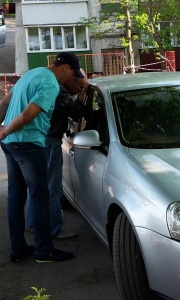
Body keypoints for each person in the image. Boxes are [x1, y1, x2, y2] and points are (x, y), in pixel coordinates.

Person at [0, 51, 84, 263]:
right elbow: (28, 114)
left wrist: (4, 132)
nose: (70, 80)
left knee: (17, 198)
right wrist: (5, 131)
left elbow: (5, 102)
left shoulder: (31, 74)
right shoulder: (51, 85)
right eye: (72, 74)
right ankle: (44, 250)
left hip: (11, 145)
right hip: (28, 143)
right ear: (66, 68)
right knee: (40, 197)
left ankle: (17, 249)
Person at [25, 69, 88, 239]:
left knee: (37, 186)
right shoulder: (59, 89)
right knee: (53, 188)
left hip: (39, 138)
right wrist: (82, 96)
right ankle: (53, 229)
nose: (77, 87)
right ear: (70, 78)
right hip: (50, 141)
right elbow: (75, 113)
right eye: (77, 83)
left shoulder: (45, 83)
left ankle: (32, 223)